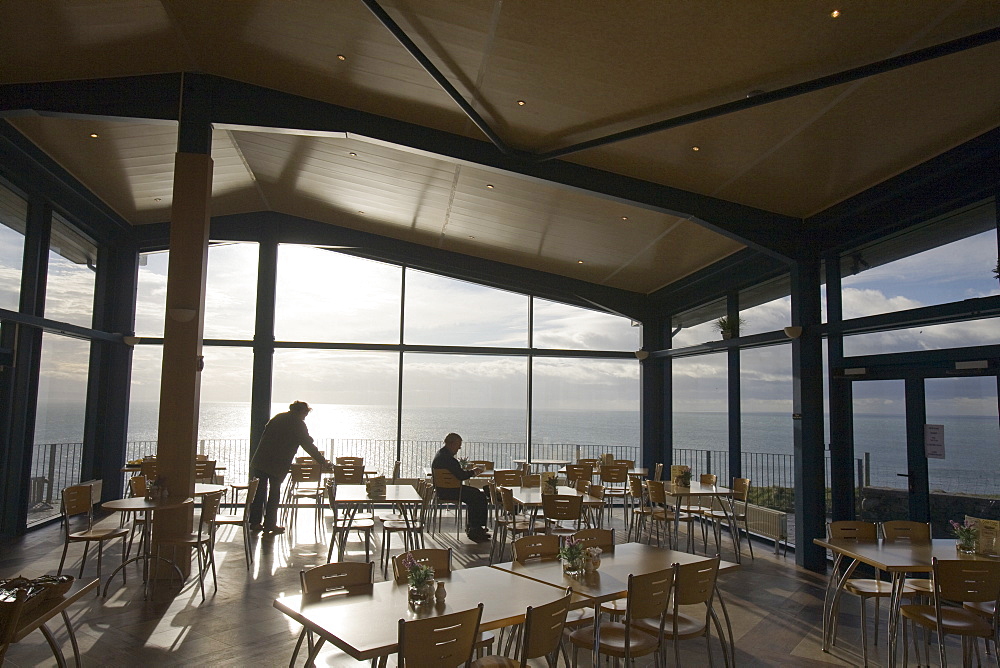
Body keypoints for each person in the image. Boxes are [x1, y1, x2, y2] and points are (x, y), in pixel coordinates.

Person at [248, 401, 330, 534]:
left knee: (259, 492)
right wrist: (322, 461)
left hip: (260, 460)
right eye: (305, 413)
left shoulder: (278, 417)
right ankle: (270, 524)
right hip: (277, 463)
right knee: (274, 493)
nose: (305, 416)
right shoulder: (298, 424)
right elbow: (307, 444)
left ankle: (255, 522)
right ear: (300, 412)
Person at [431, 432, 491, 543]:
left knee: (475, 494)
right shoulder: (449, 459)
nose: (459, 448)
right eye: (458, 445)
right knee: (478, 496)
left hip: (441, 491)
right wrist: (474, 472)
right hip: (451, 491)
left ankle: (474, 527)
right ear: (452, 444)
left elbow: (457, 473)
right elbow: (461, 476)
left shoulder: (440, 455)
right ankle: (475, 529)